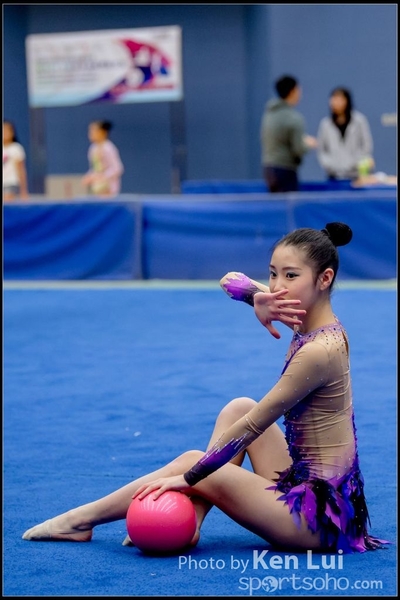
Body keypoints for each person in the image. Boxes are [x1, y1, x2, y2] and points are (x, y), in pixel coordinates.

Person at [22, 222, 387, 554]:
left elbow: (252, 428)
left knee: (195, 458)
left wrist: (188, 478)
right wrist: (256, 297)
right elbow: (229, 280)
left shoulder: (320, 351)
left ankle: (81, 520)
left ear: (324, 279)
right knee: (238, 406)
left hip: (319, 521)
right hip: (304, 483)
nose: (277, 286)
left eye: (290, 275)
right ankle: (192, 521)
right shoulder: (302, 314)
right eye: (273, 273)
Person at [260, 75, 317, 193]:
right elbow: (298, 149)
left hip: (268, 169)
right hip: (285, 170)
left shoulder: (269, 114)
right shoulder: (294, 119)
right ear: (293, 91)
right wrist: (308, 144)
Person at [317, 87, 374, 182]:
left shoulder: (359, 121)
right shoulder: (325, 124)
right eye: (333, 100)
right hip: (333, 176)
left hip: (356, 175)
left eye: (339, 99)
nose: (335, 103)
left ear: (347, 101)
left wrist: (355, 163)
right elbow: (322, 150)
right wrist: (331, 165)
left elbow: (366, 146)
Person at [81, 120, 124, 196]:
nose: (91, 133)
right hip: (97, 188)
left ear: (102, 132)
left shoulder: (109, 148)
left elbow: (117, 168)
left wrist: (103, 177)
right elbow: (95, 168)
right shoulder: (93, 148)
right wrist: (89, 176)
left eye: (94, 130)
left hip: (108, 188)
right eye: (90, 131)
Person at [3, 120, 29, 201]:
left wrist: (23, 190)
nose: (5, 133)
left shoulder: (16, 148)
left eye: (7, 131)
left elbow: (21, 169)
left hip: (11, 182)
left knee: (6, 202)